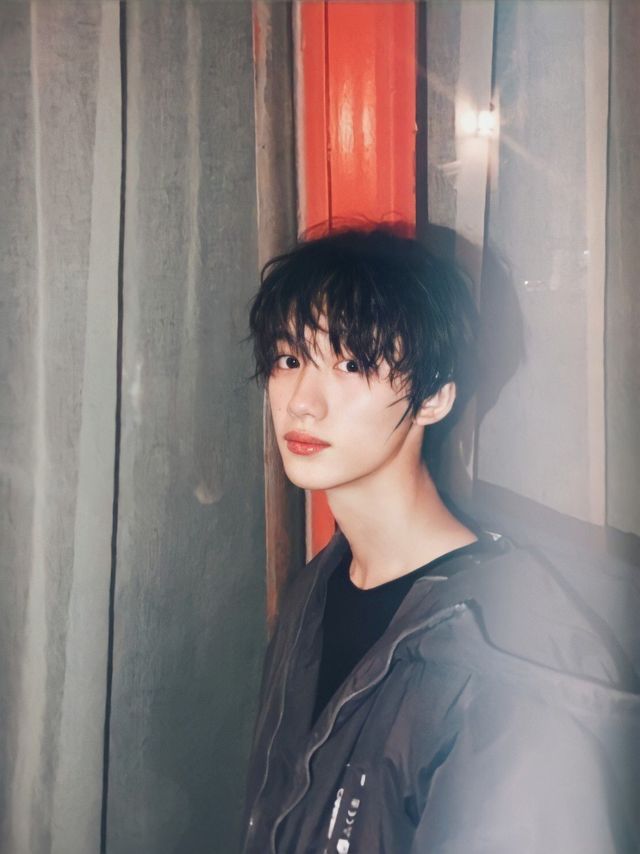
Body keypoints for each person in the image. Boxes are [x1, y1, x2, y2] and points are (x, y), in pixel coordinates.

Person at [240, 225, 640, 853]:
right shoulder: (317, 590)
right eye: (290, 359)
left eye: (351, 364)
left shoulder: (505, 659)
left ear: (433, 397)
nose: (301, 403)